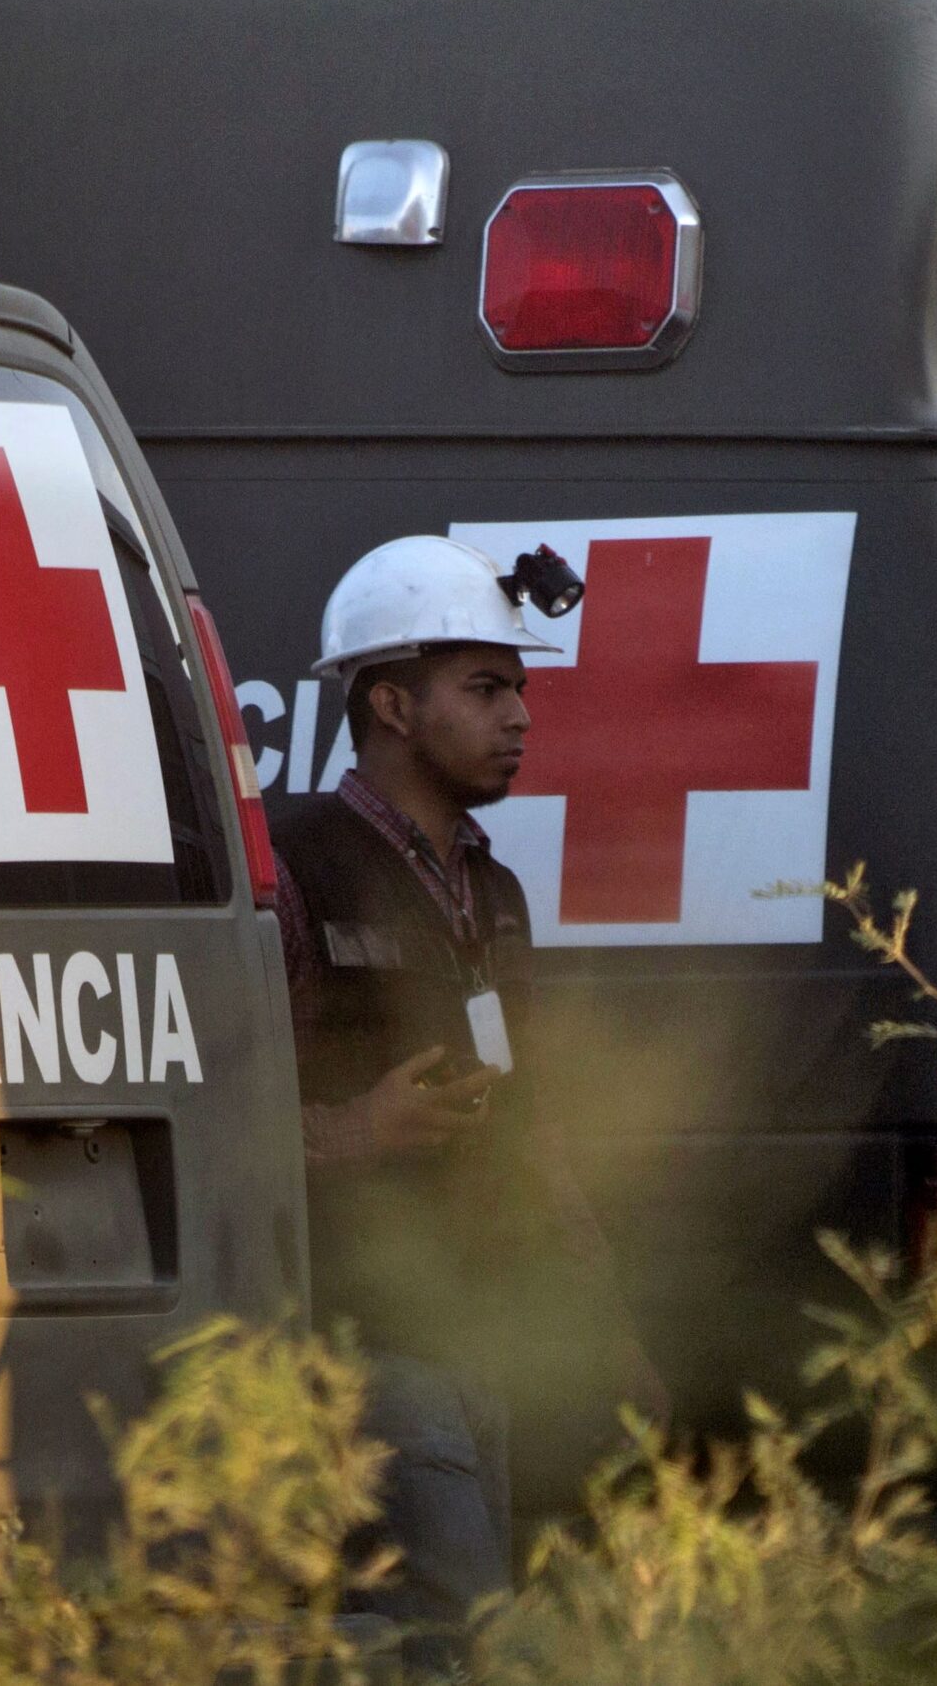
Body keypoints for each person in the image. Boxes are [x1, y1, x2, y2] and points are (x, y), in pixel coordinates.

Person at [270, 535, 666, 1658]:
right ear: (391, 703)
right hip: (358, 1339)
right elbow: (202, 1107)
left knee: (451, 1641)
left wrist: (613, 1331)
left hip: (477, 1332)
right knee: (470, 1627)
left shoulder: (491, 892)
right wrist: (354, 1132)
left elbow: (531, 1125)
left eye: (519, 690)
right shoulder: (292, 866)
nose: (520, 716)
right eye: (486, 689)